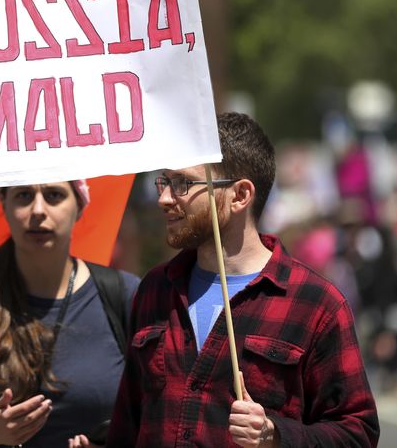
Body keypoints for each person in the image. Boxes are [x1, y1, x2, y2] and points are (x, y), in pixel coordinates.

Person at [107, 112, 379, 447]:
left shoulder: (316, 305)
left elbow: (357, 434)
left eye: (183, 184)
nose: (164, 198)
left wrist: (275, 435)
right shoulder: (154, 289)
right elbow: (125, 426)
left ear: (239, 195)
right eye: (164, 182)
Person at [0, 180, 139, 448]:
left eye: (54, 195)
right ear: (4, 204)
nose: (37, 210)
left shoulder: (123, 294)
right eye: (23, 195)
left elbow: (158, 420)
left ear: (80, 206)